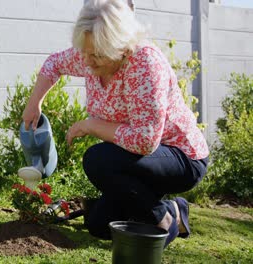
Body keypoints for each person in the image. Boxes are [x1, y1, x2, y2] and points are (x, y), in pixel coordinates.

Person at [22, 0, 209, 247]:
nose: (87, 62)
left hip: (179, 158)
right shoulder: (90, 54)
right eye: (85, 52)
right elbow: (53, 64)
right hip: (134, 162)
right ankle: (174, 209)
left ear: (120, 47)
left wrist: (91, 125)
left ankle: (163, 221)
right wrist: (34, 102)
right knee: (100, 224)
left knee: (97, 159)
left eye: (97, 55)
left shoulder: (144, 63)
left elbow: (145, 141)